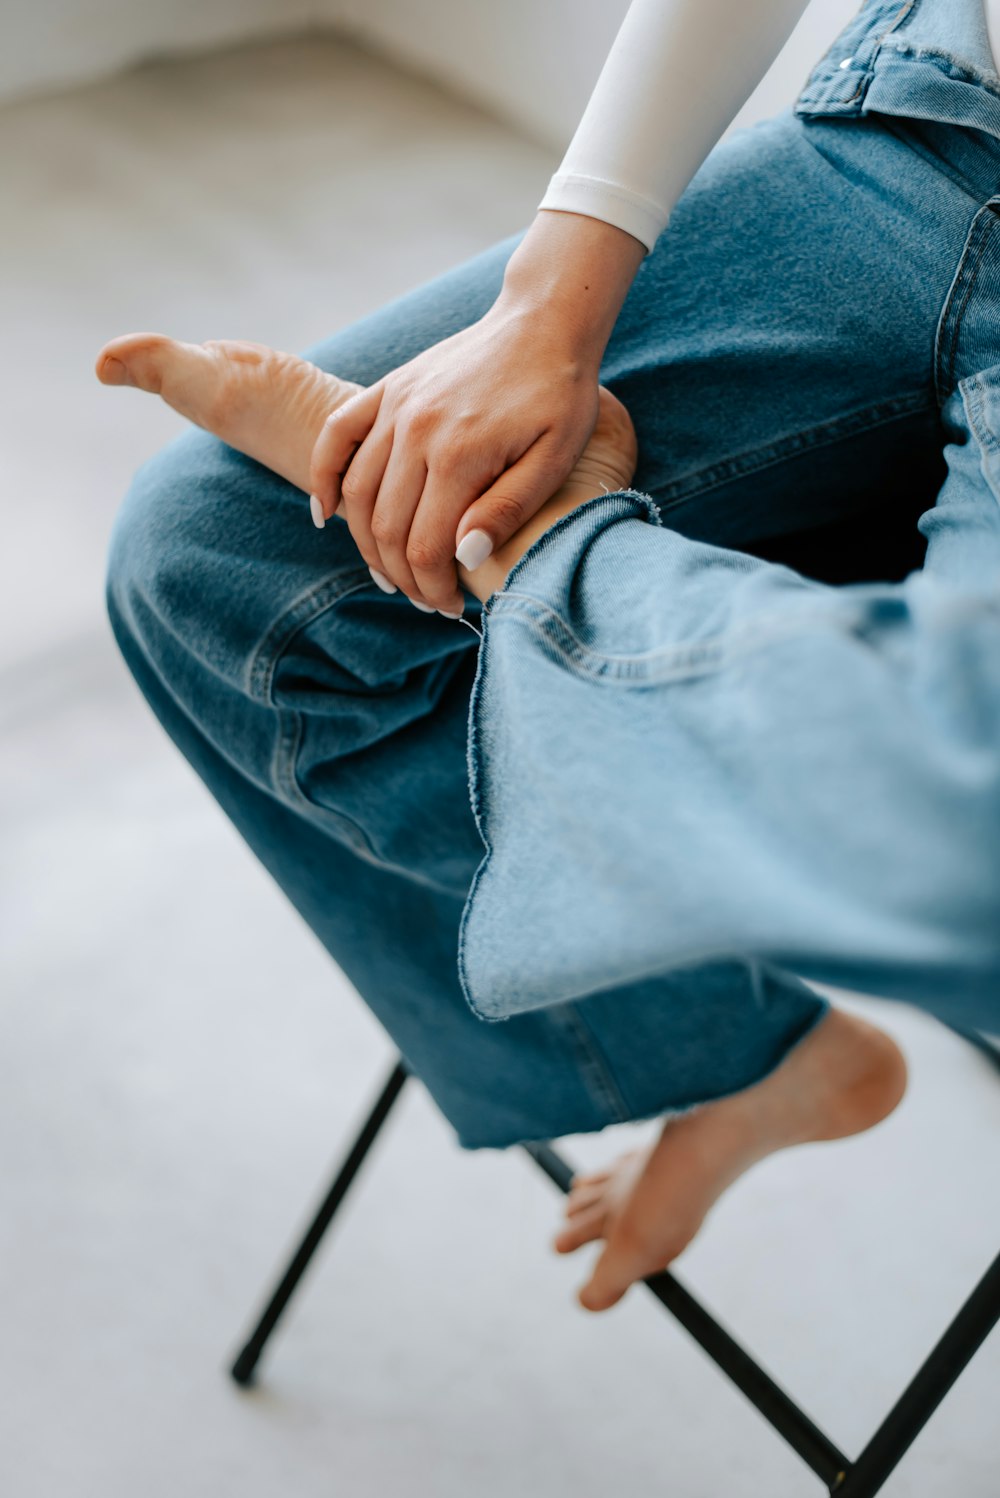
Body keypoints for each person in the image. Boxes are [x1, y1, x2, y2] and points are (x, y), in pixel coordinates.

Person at [100, 0, 1000, 1315]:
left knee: (962, 829)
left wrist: (554, 545)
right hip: (939, 127)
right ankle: (738, 1043)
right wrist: (551, 302)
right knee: (219, 558)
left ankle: (551, 559)